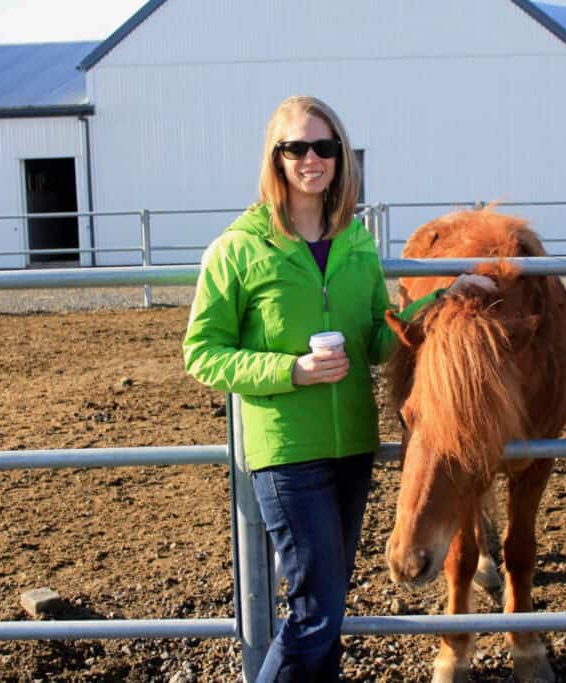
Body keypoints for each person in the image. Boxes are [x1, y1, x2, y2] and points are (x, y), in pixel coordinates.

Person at [182, 95, 440, 682]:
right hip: (286, 450)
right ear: (275, 158)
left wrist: (441, 301)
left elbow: (379, 338)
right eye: (296, 146)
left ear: (340, 157)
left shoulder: (357, 242)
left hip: (352, 443)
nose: (311, 158)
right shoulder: (238, 249)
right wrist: (290, 372)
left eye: (324, 146)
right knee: (315, 614)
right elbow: (202, 352)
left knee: (329, 607)